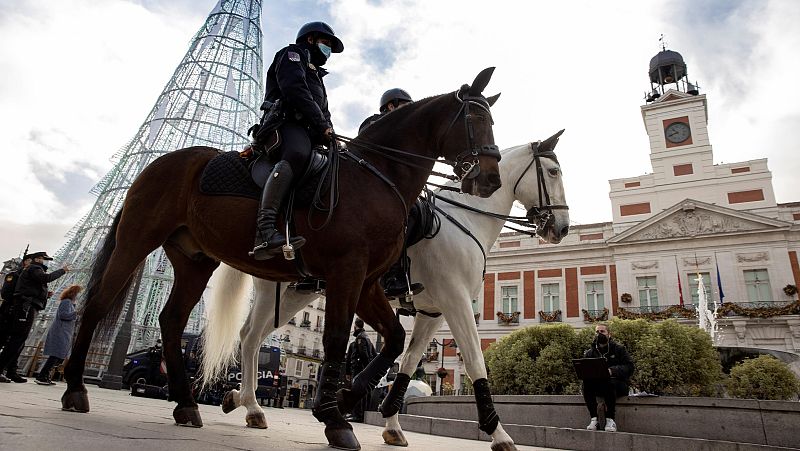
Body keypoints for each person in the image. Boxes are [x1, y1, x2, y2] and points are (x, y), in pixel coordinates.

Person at [249, 21, 344, 260]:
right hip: (286, 123)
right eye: (326, 43)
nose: (328, 51)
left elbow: (323, 108)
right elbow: (294, 89)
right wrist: (321, 125)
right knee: (298, 154)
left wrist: (330, 131)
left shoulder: (317, 75)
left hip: (310, 129)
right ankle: (265, 231)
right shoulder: (292, 54)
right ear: (310, 39)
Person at [356, 88, 425, 299]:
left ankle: (398, 271)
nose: (410, 111)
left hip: (393, 189)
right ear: (391, 106)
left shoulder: (408, 130)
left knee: (417, 213)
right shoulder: (373, 122)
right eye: (406, 106)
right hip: (367, 187)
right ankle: (392, 275)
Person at [0, 251, 69, 383]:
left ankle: (10, 370)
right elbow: (45, 278)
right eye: (44, 259)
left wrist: (43, 295)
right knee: (16, 338)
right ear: (36, 259)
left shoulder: (32, 270)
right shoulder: (35, 268)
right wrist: (62, 270)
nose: (45, 262)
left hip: (25, 306)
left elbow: (33, 286)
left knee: (18, 340)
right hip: (23, 307)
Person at [582, 323, 634, 433]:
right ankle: (594, 419)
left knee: (609, 382)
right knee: (586, 384)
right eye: (597, 332)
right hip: (599, 386)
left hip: (618, 385)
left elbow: (629, 367)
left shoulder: (619, 349)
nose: (599, 334)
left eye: (602, 332)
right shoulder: (590, 352)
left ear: (609, 334)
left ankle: (610, 420)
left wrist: (612, 370)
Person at [35, 284, 81, 385]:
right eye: (77, 293)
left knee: (59, 355)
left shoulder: (70, 304)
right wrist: (76, 313)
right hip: (61, 332)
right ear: (73, 293)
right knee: (56, 355)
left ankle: (45, 375)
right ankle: (42, 375)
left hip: (64, 332)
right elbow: (63, 315)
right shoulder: (66, 302)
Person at [344, 318, 377, 422]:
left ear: (355, 326)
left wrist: (366, 369)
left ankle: (357, 415)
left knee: (357, 391)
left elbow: (364, 355)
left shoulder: (360, 338)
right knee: (362, 392)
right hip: (364, 370)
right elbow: (374, 355)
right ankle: (360, 414)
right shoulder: (367, 338)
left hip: (359, 369)